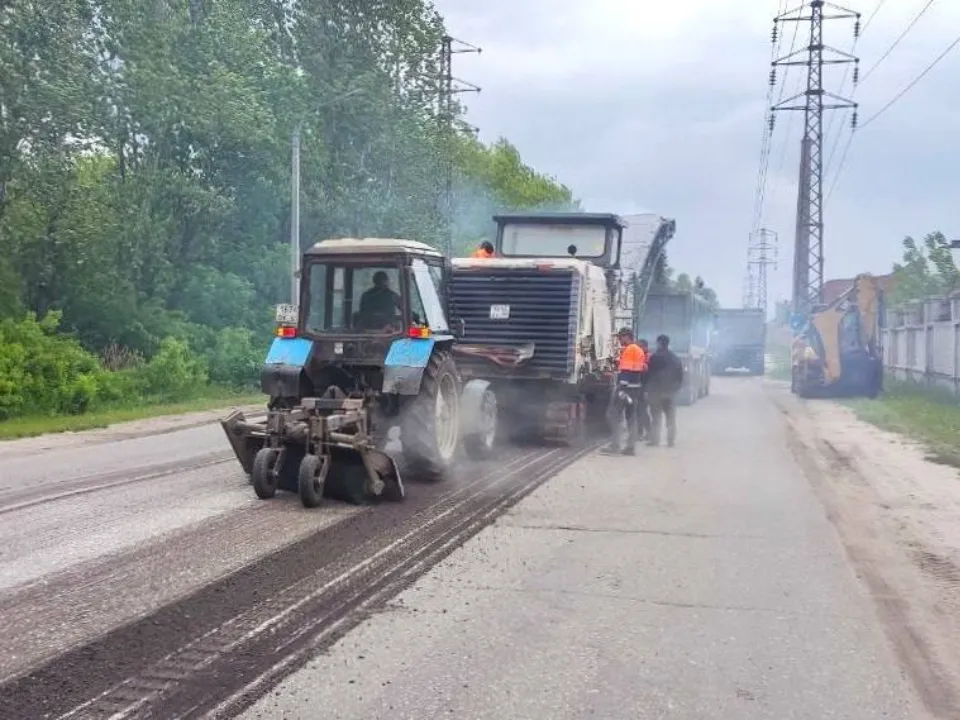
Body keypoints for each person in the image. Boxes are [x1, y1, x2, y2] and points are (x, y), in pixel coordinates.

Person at [606, 327, 646, 455]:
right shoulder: (638, 350)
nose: (619, 339)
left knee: (614, 415)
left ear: (627, 336)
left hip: (626, 389)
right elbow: (638, 368)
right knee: (631, 417)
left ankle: (615, 445)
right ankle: (630, 447)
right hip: (635, 389)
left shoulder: (629, 350)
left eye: (621, 337)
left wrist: (620, 389)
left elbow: (627, 371)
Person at [645, 333, 683, 447]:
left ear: (659, 343)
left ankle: (655, 440)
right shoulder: (675, 358)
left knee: (656, 417)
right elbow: (680, 375)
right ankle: (670, 441)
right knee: (670, 418)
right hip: (670, 392)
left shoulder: (654, 357)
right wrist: (676, 389)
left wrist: (647, 390)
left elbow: (649, 374)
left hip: (656, 392)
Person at [636, 338, 652, 439]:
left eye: (640, 346)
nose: (638, 348)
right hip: (640, 387)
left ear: (645, 347)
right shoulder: (642, 356)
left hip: (645, 388)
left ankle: (645, 432)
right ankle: (642, 432)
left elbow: (648, 375)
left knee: (641, 410)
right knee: (639, 411)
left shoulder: (648, 357)